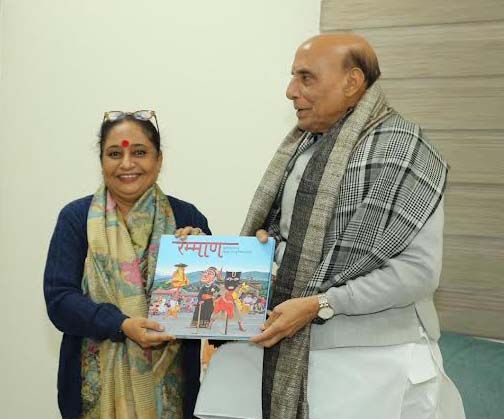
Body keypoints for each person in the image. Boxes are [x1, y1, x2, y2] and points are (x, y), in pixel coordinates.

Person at [240, 34, 466, 418]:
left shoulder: (404, 152)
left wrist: (322, 304)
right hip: (302, 352)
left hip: (381, 363)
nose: (290, 91)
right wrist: (267, 247)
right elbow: (294, 242)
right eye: (293, 77)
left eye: (306, 78)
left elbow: (417, 274)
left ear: (352, 82)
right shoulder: (303, 149)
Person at [44, 110, 210, 419]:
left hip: (173, 399)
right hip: (91, 397)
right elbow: (60, 301)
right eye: (114, 154)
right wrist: (120, 324)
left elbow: (211, 315)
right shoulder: (76, 219)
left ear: (159, 160)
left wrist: (201, 258)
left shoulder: (187, 218)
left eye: (139, 152)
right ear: (101, 162)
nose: (127, 164)